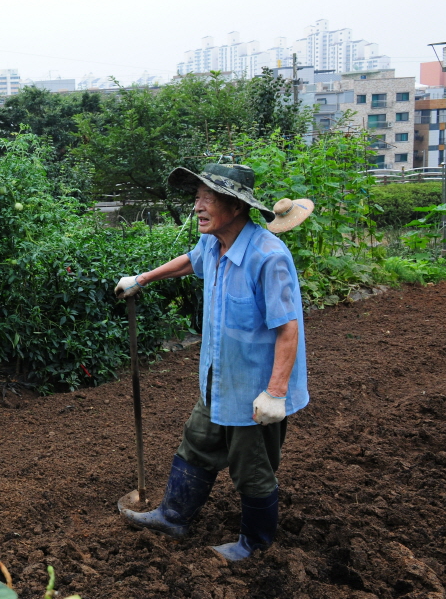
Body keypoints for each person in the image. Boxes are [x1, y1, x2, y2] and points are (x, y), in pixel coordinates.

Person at [114, 163, 308, 562]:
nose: (198, 206)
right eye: (197, 197)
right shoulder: (213, 244)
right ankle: (173, 516)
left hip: (255, 388)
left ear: (236, 206)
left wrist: (274, 394)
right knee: (197, 441)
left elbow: (288, 330)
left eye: (208, 198)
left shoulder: (267, 257)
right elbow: (190, 260)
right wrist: (143, 279)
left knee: (251, 467)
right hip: (218, 379)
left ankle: (255, 545)